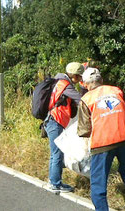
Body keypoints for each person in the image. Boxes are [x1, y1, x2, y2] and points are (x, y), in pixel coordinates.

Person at [77, 68, 125, 211]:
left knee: (98, 182)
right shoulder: (117, 91)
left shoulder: (86, 99)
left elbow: (84, 130)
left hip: (102, 144)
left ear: (85, 84)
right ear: (101, 80)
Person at [43, 62, 84, 193]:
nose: (80, 80)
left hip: (53, 121)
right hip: (54, 122)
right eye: (79, 77)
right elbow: (81, 100)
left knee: (56, 153)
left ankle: (54, 180)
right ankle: (55, 183)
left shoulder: (59, 82)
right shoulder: (65, 85)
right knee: (57, 154)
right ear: (74, 75)